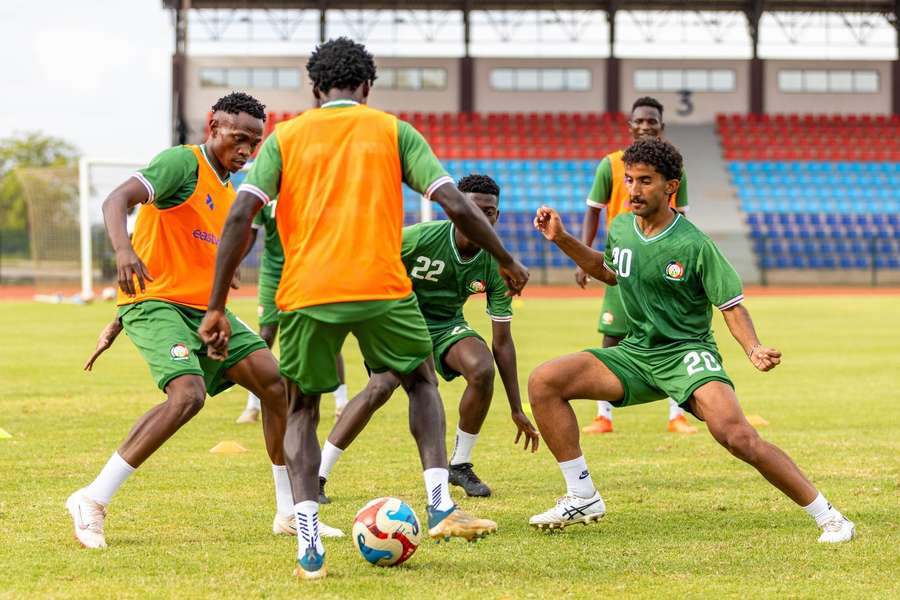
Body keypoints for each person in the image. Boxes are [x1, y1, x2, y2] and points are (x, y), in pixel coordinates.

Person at [197, 38, 530, 580]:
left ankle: (307, 535)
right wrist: (506, 258)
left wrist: (215, 305)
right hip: (381, 285)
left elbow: (241, 217)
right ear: (367, 87)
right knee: (421, 380)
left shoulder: (287, 137)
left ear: (314, 88)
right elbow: (453, 202)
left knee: (302, 405)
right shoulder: (394, 130)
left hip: (307, 291)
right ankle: (440, 503)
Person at [528, 138, 854, 544]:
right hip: (636, 353)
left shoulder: (695, 244)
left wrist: (752, 348)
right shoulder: (622, 227)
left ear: (670, 187)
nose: (633, 190)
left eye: (645, 181)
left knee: (738, 436)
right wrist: (561, 238)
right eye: (629, 180)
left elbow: (731, 307)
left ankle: (831, 517)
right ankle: (582, 496)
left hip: (687, 355)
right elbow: (610, 270)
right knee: (545, 380)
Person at [68, 92, 342, 550]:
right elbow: (117, 199)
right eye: (239, 138)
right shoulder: (181, 163)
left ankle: (290, 513)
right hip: (156, 302)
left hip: (202, 310)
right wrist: (123, 253)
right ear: (212, 125)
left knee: (279, 386)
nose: (246, 150)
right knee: (187, 396)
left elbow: (196, 249)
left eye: (254, 143)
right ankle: (91, 499)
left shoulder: (227, 188)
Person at [317, 174, 540, 502]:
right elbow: (368, 261)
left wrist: (516, 408)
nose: (481, 217)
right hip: (400, 323)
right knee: (380, 388)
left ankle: (460, 465)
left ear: (497, 215)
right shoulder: (420, 238)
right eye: (472, 209)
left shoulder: (497, 263)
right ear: (454, 210)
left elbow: (502, 342)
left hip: (446, 325)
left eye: (489, 211)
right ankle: (318, 475)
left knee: (482, 368)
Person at [577, 97, 695, 435]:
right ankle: (604, 416)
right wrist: (585, 256)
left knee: (672, 332)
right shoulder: (610, 165)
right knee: (612, 334)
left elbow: (683, 216)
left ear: (661, 126)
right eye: (639, 121)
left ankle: (678, 414)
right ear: (630, 126)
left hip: (661, 261)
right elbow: (594, 209)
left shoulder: (675, 169)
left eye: (652, 121)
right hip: (622, 261)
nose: (645, 126)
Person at [235, 196, 348, 424]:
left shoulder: (311, 187)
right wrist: (235, 262)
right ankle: (253, 406)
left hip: (308, 270)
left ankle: (342, 403)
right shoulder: (265, 191)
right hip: (273, 274)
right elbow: (251, 233)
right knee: (266, 334)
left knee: (324, 333)